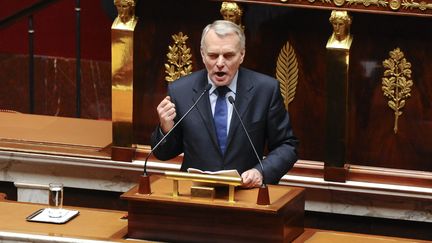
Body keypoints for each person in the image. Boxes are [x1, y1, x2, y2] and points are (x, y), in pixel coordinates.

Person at [151, 20, 298, 188]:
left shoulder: (265, 90)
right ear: (202, 54)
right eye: (213, 55)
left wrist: (260, 172)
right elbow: (163, 153)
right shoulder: (180, 91)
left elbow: (287, 145)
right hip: (195, 196)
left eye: (228, 55)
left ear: (242, 54)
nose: (220, 63)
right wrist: (166, 129)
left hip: (245, 194)